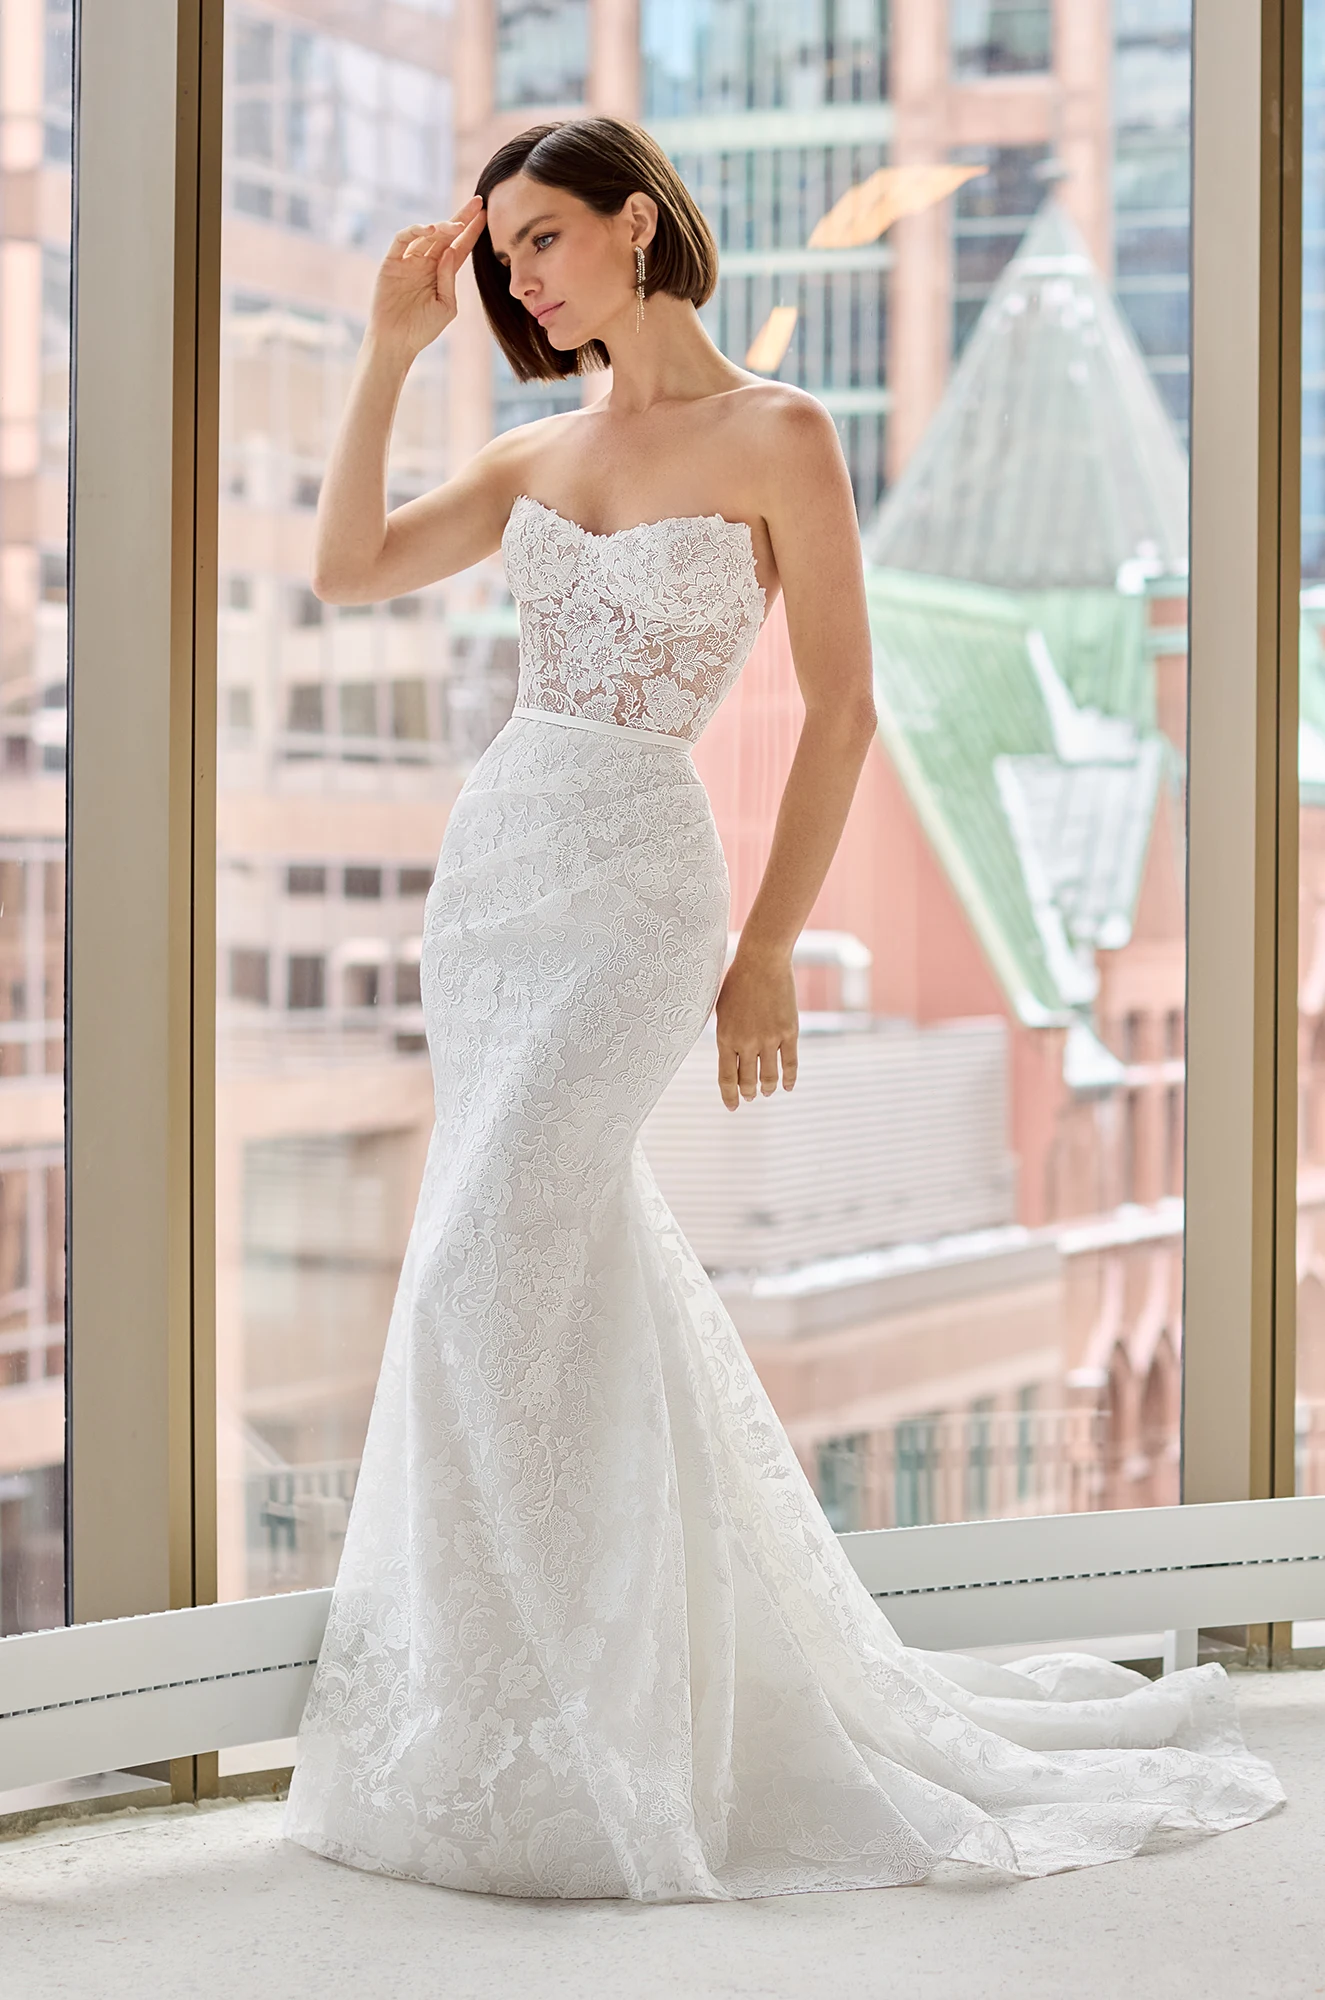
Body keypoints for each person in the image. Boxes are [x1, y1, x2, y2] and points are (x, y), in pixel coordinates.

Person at [282, 114, 1282, 1902]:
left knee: (478, 1268)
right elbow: (348, 569)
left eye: (543, 238)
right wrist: (380, 356)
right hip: (498, 876)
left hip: (643, 892)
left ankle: (588, 1716)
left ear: (640, 225)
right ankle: (526, 1717)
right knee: (538, 1268)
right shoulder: (534, 458)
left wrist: (764, 949)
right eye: (502, 252)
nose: (519, 273)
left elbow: (841, 715)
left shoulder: (779, 435)